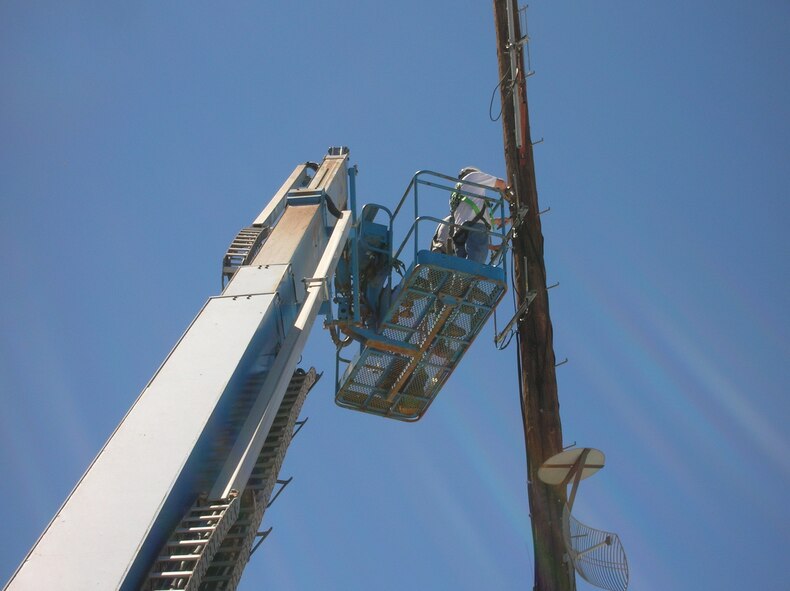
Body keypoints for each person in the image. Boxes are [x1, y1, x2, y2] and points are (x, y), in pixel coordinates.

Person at [450, 167, 507, 264]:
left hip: (459, 232)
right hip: (476, 227)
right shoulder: (473, 176)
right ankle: (468, 278)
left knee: (461, 268)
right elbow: (501, 183)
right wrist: (508, 194)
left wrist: (496, 221)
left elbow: (469, 214)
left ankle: (460, 279)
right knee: (475, 268)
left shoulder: (455, 193)